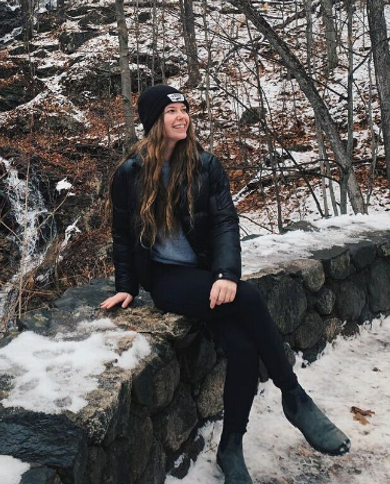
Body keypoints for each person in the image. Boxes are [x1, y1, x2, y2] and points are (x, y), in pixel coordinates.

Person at [100, 84, 350, 484]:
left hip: (202, 273)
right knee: (248, 297)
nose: (182, 116)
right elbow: (121, 235)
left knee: (244, 348)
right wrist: (126, 285)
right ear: (153, 121)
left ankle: (231, 446)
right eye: (171, 111)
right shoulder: (130, 173)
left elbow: (224, 224)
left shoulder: (205, 165)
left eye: (184, 109)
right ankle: (294, 397)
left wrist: (224, 274)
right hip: (165, 278)